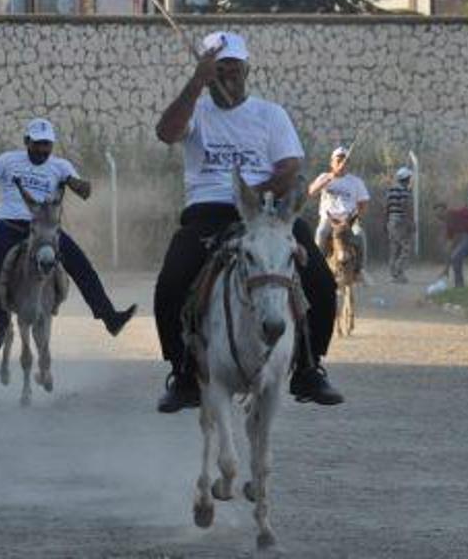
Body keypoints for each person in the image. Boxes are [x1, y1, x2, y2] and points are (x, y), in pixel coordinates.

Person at [152, 30, 343, 413]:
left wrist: (256, 196)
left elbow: (290, 166)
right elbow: (166, 132)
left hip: (266, 212)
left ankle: (309, 366)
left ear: (247, 70)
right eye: (219, 71)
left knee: (321, 281)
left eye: (235, 70)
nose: (229, 78)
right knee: (170, 285)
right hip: (209, 212)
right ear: (208, 72)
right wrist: (195, 83)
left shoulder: (270, 114)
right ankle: (184, 374)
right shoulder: (195, 112)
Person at [0, 118, 136, 353]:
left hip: (45, 227)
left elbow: (84, 192)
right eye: (37, 144)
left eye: (47, 144)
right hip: (8, 224)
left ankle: (110, 318)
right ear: (27, 141)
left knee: (82, 266)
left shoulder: (60, 166)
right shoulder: (8, 160)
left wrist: (78, 183)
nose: (43, 149)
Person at [309, 146, 370, 282]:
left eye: (345, 161)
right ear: (332, 162)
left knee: (360, 235)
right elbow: (311, 192)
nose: (342, 164)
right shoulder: (324, 176)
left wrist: (355, 218)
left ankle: (360, 270)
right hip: (329, 219)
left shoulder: (355, 182)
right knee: (321, 233)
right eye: (338, 160)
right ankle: (317, 270)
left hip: (348, 219)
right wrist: (326, 180)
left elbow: (364, 203)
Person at [384, 166, 415, 283]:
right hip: (401, 220)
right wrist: (410, 222)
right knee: (406, 248)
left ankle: (393, 274)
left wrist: (386, 222)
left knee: (394, 248)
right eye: (409, 178)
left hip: (391, 221)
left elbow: (386, 207)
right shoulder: (404, 191)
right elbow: (405, 206)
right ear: (406, 178)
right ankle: (398, 272)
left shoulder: (391, 190)